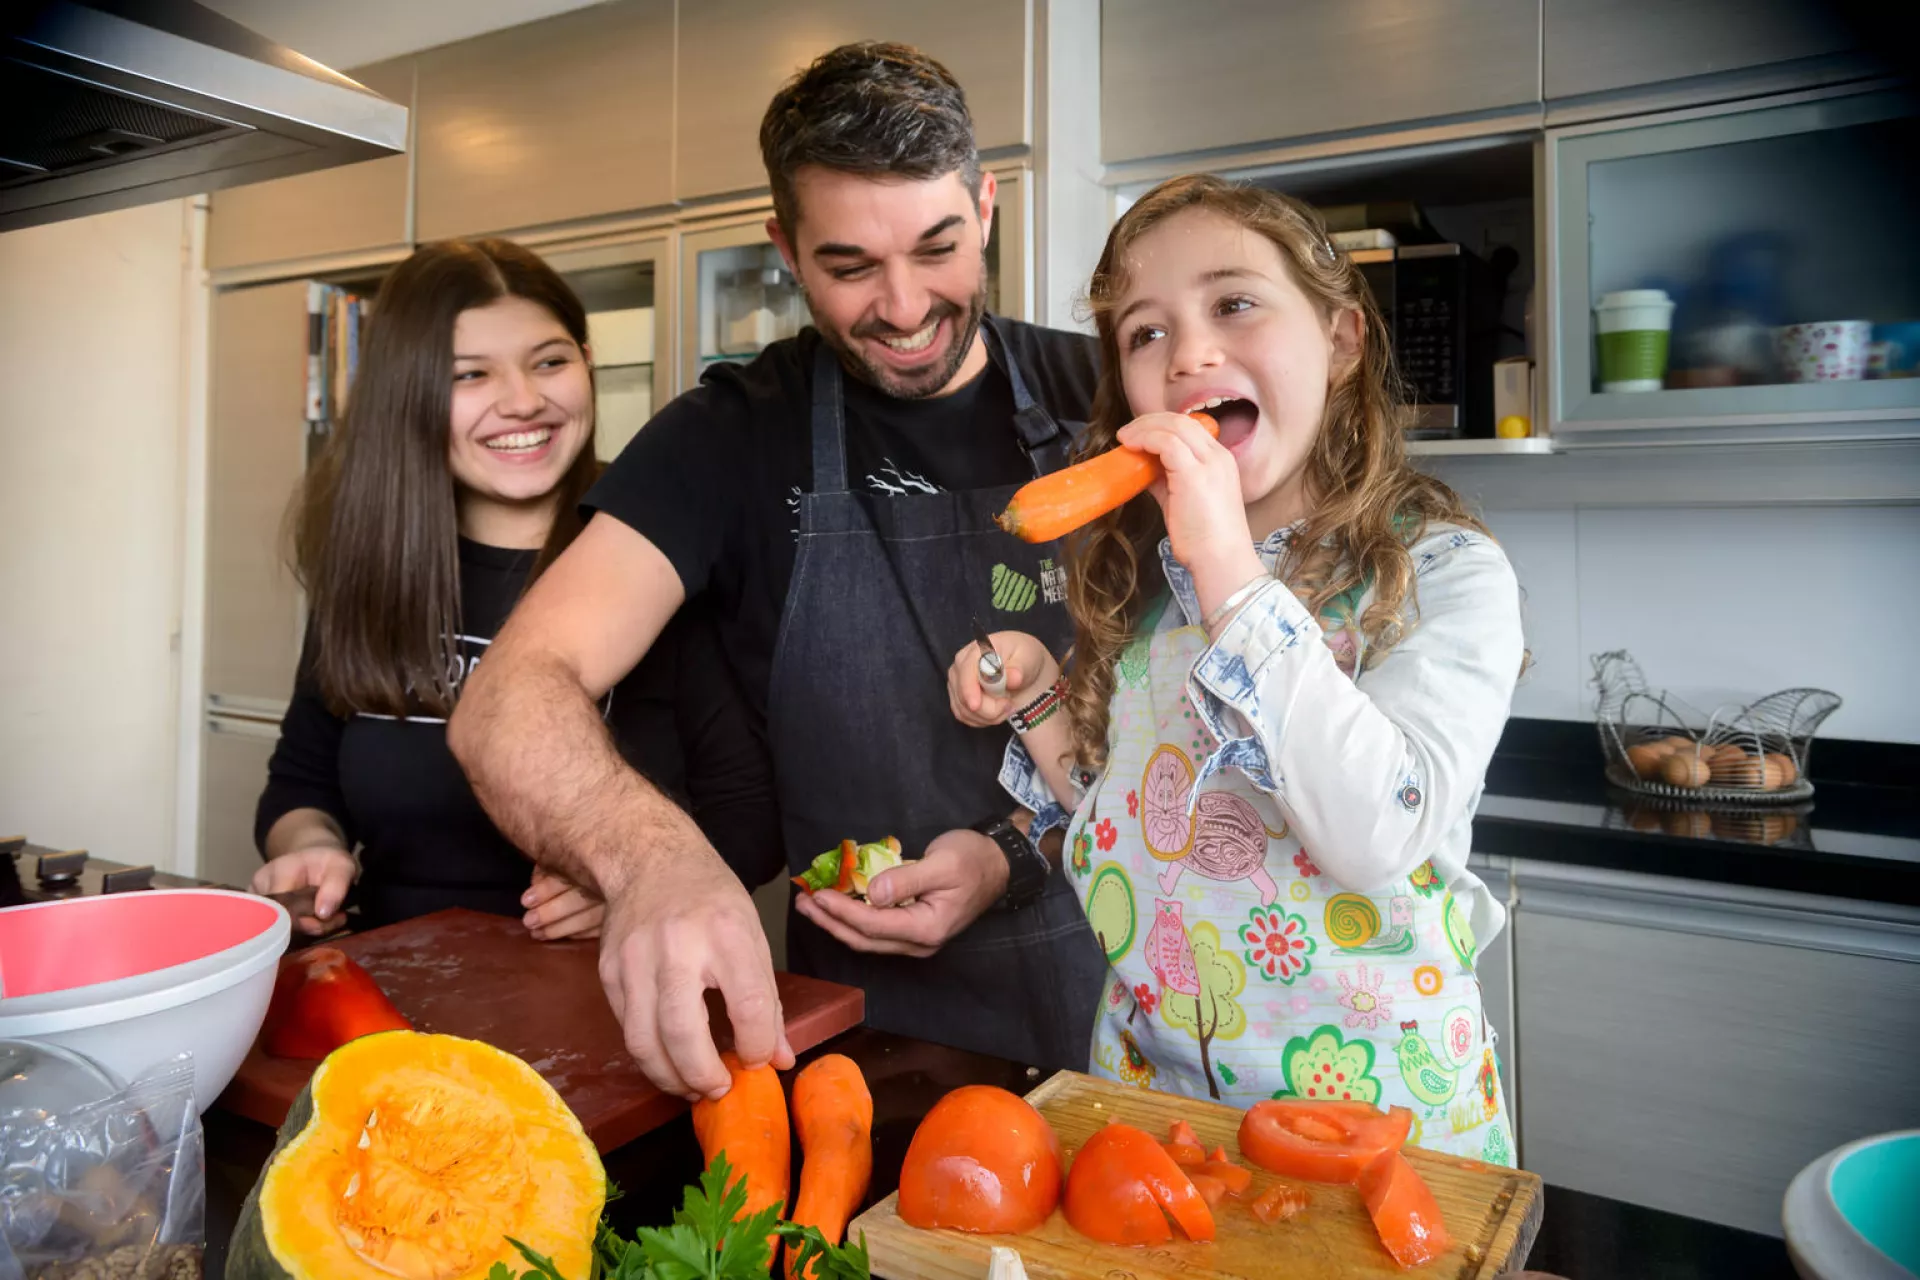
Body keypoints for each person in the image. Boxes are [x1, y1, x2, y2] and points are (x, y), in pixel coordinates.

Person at [448, 43, 1109, 1098]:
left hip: (1139, 1025)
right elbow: (507, 699)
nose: (902, 307)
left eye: (938, 248)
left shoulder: (1107, 395)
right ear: (785, 251)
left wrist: (1007, 857)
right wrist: (652, 860)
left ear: (985, 208)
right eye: (850, 267)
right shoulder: (728, 439)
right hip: (861, 1054)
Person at [946, 175, 1523, 1163]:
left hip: (1375, 1132)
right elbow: (1134, 823)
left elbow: (1376, 826)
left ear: (1340, 340)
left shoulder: (1444, 572)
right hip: (1157, 1120)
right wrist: (1039, 694)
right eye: (1145, 333)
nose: (1191, 354)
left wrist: (1230, 570)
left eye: (1234, 303)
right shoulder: (1147, 593)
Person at [253, 239, 780, 937]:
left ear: (587, 365)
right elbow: (302, 782)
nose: (524, 401)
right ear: (406, 396)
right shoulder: (370, 567)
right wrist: (309, 848)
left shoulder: (657, 557)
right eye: (470, 375)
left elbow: (750, 816)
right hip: (391, 982)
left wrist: (642, 878)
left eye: (551, 362)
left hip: (603, 998)